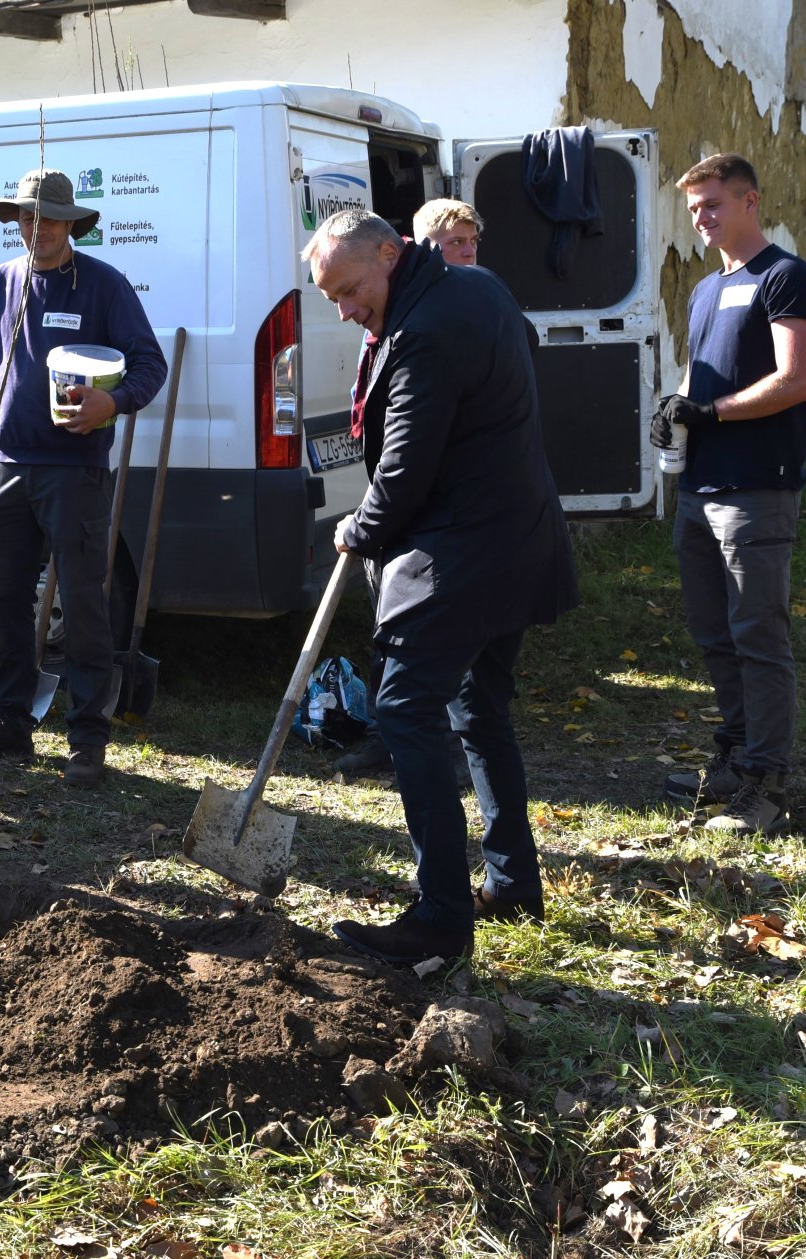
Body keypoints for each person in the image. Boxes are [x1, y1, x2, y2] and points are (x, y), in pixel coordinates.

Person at [304, 209, 578, 967]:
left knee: (401, 708)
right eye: (332, 297)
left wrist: (360, 527)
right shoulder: (479, 288)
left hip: (466, 554)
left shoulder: (425, 331)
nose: (345, 309)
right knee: (477, 708)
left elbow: (405, 471)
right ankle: (514, 881)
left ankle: (440, 919)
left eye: (351, 290)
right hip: (514, 537)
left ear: (391, 255)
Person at [0, 169, 167, 787]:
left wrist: (111, 405)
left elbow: (150, 364)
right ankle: (10, 720)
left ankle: (87, 739)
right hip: (7, 468)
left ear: (72, 224)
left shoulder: (103, 286)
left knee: (85, 602)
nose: (37, 229)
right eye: (27, 218)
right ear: (14, 221)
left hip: (77, 470)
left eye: (51, 219)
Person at [653, 154, 806, 836]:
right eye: (694, 208)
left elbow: (796, 380)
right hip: (701, 485)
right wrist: (680, 405)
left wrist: (714, 412)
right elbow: (703, 371)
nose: (702, 218)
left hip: (758, 486)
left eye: (713, 205)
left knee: (758, 635)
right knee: (715, 633)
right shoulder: (706, 289)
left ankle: (765, 783)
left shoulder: (787, 278)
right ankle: (733, 755)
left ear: (750, 201)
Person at [334, 198, 489, 780]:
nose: (466, 253)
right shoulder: (391, 314)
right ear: (418, 247)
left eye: (472, 242)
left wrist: (365, 523)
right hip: (401, 509)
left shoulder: (447, 319)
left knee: (445, 654)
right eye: (455, 243)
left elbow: (420, 449)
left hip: (445, 521)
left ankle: (430, 743)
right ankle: (388, 732)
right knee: (388, 622)